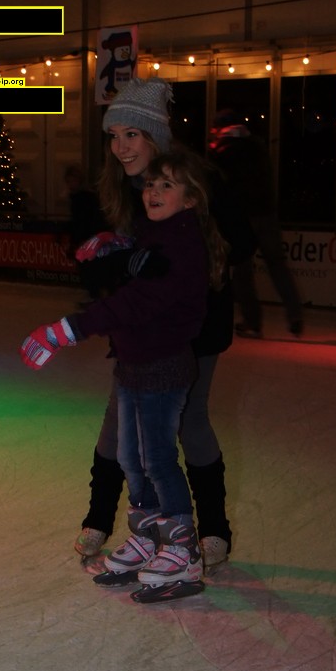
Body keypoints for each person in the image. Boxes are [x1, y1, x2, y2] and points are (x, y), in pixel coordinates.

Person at [21, 149, 228, 603]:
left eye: (167, 185)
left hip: (163, 367)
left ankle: (183, 549)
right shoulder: (157, 233)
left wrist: (67, 330)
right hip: (135, 363)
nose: (153, 191)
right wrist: (116, 245)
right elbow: (140, 255)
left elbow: (135, 303)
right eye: (151, 184)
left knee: (158, 459)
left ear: (191, 199)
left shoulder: (183, 245)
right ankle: (148, 534)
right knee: (130, 458)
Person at [72, 78, 254, 574]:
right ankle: (99, 518)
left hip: (197, 325)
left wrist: (182, 257)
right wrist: (118, 251)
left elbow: (241, 242)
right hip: (142, 328)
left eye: (132, 135)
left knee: (190, 420)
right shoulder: (123, 189)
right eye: (114, 136)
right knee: (119, 420)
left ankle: (213, 531)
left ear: (156, 136)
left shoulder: (197, 181)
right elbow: (116, 266)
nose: (121, 147)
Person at [208, 109, 304, 339]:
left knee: (242, 270)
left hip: (243, 216)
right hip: (267, 213)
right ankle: (294, 314)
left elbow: (219, 185)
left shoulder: (222, 150)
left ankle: (252, 321)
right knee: (277, 265)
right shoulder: (257, 146)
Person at [62, 164, 105, 260]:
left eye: (73, 181)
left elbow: (86, 221)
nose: (71, 185)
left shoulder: (85, 198)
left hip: (87, 239)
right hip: (83, 240)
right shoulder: (76, 198)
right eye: (68, 182)